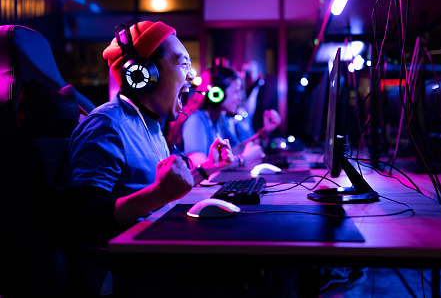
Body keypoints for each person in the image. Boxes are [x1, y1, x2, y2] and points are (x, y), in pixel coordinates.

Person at [55, 20, 235, 296]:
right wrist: (158, 194)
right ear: (144, 73)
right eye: (183, 64)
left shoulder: (149, 124)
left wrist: (207, 168)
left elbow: (158, 187)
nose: (191, 78)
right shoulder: (107, 125)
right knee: (263, 275)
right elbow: (84, 216)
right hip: (125, 273)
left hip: (155, 257)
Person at [170, 62, 281, 170]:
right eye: (236, 92)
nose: (239, 98)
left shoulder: (220, 119)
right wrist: (242, 160)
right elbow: (200, 166)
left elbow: (237, 149)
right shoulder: (196, 120)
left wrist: (265, 130)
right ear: (216, 94)